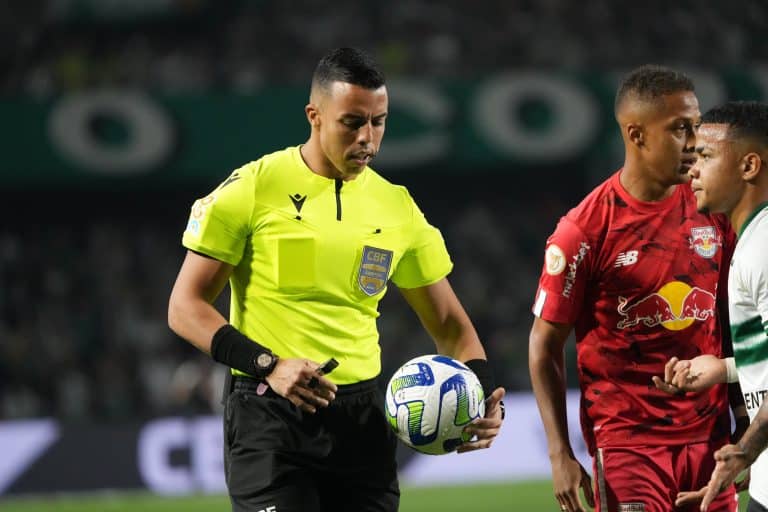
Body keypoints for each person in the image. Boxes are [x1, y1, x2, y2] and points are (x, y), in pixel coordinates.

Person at [167, 47, 505, 512]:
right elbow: (184, 308)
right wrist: (270, 364)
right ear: (315, 116)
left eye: (379, 122)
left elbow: (449, 324)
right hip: (270, 416)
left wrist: (483, 392)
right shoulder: (254, 188)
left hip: (362, 423)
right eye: (352, 122)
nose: (368, 137)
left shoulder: (397, 207)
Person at [528, 65, 745, 512]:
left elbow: (728, 315)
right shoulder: (585, 230)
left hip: (710, 440)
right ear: (636, 134)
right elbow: (544, 345)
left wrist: (743, 415)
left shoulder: (712, 209)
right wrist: (559, 453)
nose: (695, 142)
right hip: (629, 446)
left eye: (697, 126)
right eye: (679, 129)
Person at [652, 101, 768, 512]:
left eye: (705, 156)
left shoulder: (764, 248)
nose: (693, 170)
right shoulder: (750, 241)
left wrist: (744, 451)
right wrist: (723, 369)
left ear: (749, 166)